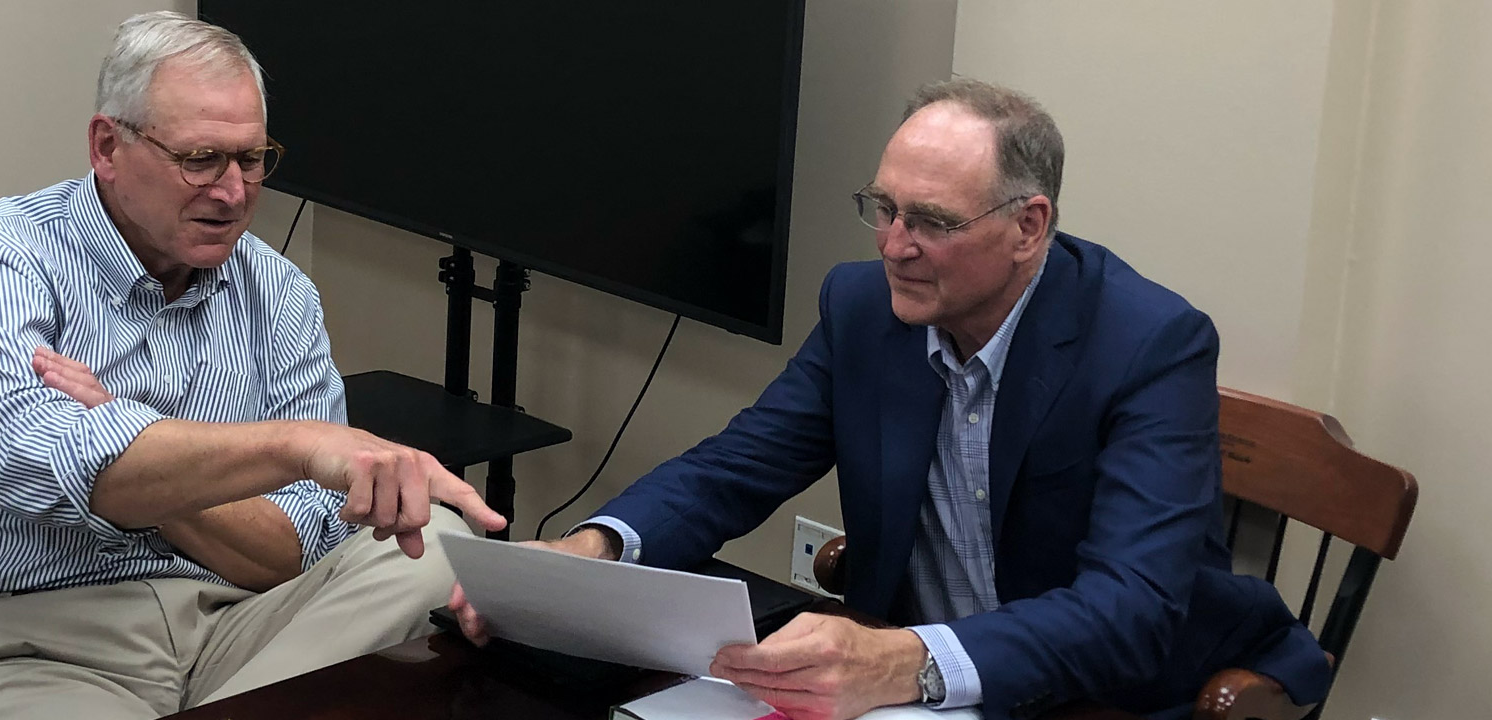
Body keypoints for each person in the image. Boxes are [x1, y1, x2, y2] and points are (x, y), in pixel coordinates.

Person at [451, 78, 1332, 720]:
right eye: (884, 208)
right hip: (914, 685)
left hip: (1108, 692)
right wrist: (594, 549)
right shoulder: (863, 306)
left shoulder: (1148, 344)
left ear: (1029, 227)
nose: (895, 246)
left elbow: (1131, 611)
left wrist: (904, 658)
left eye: (934, 222)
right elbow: (737, 466)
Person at [0, 11, 503, 719]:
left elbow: (289, 553)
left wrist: (122, 429)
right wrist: (295, 445)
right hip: (20, 636)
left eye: (252, 159)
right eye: (200, 159)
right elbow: (37, 466)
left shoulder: (280, 290)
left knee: (439, 546)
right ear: (108, 145)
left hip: (229, 619)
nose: (233, 192)